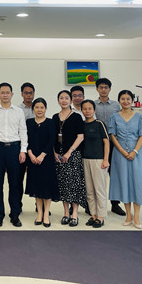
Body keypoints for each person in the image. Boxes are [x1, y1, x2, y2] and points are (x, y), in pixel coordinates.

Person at [0, 82, 28, 228]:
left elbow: (23, 131)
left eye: (7, 92)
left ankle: (14, 215)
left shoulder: (18, 111)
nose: (5, 95)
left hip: (14, 149)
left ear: (12, 94)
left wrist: (23, 150)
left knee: (14, 184)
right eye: (2, 92)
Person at [108, 90, 142, 228]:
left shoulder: (139, 117)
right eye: (123, 99)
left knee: (137, 183)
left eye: (128, 99)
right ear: (119, 101)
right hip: (119, 154)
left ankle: (137, 217)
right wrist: (122, 151)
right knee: (124, 182)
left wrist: (134, 151)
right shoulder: (114, 117)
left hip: (136, 154)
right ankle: (128, 215)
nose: (125, 101)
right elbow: (112, 135)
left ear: (132, 100)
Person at [53, 90, 87, 227]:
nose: (64, 100)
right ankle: (66, 213)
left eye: (66, 98)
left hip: (73, 154)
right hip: (59, 155)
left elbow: (80, 137)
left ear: (71, 100)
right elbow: (52, 137)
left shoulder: (77, 117)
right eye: (61, 98)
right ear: (58, 100)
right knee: (63, 184)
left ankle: (74, 214)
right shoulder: (55, 117)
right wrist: (54, 153)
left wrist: (69, 152)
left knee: (74, 184)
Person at [25, 97, 58, 227]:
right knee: (36, 187)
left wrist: (42, 155)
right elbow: (25, 139)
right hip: (32, 159)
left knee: (46, 187)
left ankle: (46, 215)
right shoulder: (28, 122)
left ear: (45, 109)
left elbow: (52, 140)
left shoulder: (50, 122)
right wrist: (31, 155)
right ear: (33, 109)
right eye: (37, 107)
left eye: (42, 107)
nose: (39, 110)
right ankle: (39, 214)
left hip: (46, 159)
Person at [94, 78, 124, 216]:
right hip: (97, 144)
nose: (103, 89)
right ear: (97, 89)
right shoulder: (93, 105)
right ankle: (95, 204)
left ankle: (115, 204)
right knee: (97, 174)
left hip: (114, 142)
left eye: (106, 87)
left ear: (110, 89)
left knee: (115, 174)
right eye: (101, 87)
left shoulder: (116, 105)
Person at [81, 99, 109, 229]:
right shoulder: (81, 125)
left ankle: (101, 216)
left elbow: (106, 142)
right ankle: (93, 214)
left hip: (99, 160)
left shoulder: (99, 124)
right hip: (85, 160)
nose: (87, 111)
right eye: (85, 109)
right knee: (89, 190)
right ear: (82, 110)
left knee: (99, 189)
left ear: (94, 110)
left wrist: (105, 159)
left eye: (90, 108)